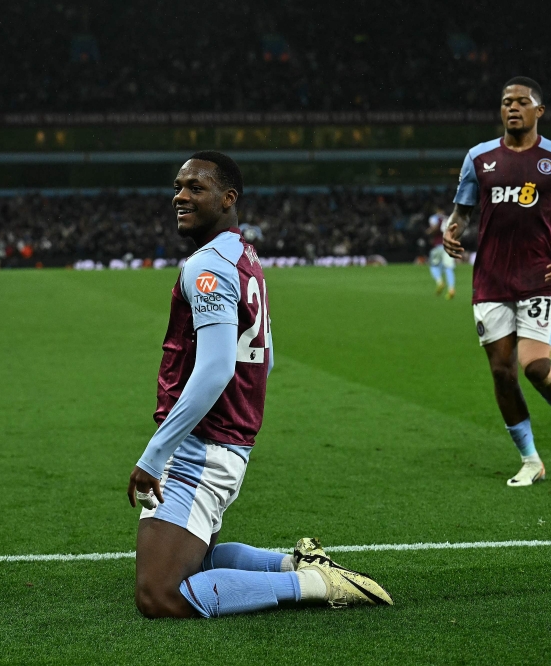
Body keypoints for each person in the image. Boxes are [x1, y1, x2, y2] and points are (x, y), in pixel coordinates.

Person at [127, 151, 393, 619]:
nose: (180, 197)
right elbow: (265, 358)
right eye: (177, 187)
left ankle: (310, 583)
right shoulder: (244, 255)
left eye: (195, 188)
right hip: (226, 442)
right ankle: (297, 562)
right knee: (198, 559)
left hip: (202, 448)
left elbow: (214, 371)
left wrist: (155, 454)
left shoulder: (208, 266)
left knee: (161, 594)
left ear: (229, 198)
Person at [444, 77, 551, 487]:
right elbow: (462, 211)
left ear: (538, 111)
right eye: (507, 101)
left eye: (522, 102)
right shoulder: (479, 157)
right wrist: (451, 229)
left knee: (535, 366)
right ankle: (530, 460)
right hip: (490, 279)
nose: (513, 107)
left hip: (538, 277)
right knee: (502, 373)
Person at [426, 206, 456, 299]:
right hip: (449, 246)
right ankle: (451, 289)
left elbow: (434, 228)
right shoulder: (448, 218)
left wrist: (429, 232)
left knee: (433, 266)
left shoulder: (434, 218)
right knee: (449, 268)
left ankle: (439, 281)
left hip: (438, 245)